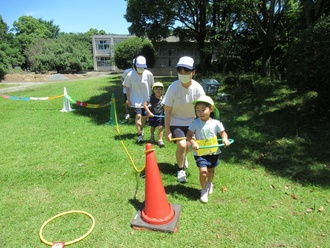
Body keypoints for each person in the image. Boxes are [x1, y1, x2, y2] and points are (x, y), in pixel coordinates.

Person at [162, 56, 205, 183]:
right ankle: (180, 169)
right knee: (181, 144)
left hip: (192, 121)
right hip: (176, 121)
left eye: (186, 71)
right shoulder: (173, 87)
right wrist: (168, 130)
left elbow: (203, 109)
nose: (183, 74)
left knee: (191, 145)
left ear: (193, 72)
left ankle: (183, 155)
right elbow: (168, 111)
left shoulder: (197, 88)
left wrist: (203, 126)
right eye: (180, 71)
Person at [186, 95, 231, 203]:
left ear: (211, 109)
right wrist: (193, 142)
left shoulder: (216, 123)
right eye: (198, 110)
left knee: (211, 170)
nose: (200, 112)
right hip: (200, 152)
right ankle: (203, 190)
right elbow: (188, 135)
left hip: (213, 152)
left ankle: (209, 183)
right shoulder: (195, 123)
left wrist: (225, 140)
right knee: (203, 172)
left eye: (203, 109)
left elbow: (223, 134)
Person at [123, 55, 154, 143]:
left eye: (142, 67)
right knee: (138, 116)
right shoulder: (130, 75)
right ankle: (139, 135)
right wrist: (128, 99)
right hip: (135, 99)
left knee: (144, 117)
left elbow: (153, 86)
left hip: (146, 100)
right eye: (139, 67)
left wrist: (153, 99)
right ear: (135, 66)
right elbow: (127, 87)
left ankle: (141, 128)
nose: (141, 69)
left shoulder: (149, 74)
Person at [144, 82, 165, 147]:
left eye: (160, 89)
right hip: (152, 116)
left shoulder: (164, 98)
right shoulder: (151, 98)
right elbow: (145, 105)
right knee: (153, 126)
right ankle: (152, 135)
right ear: (153, 90)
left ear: (162, 90)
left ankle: (160, 140)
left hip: (160, 115)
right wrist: (149, 113)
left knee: (160, 127)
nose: (158, 91)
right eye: (156, 89)